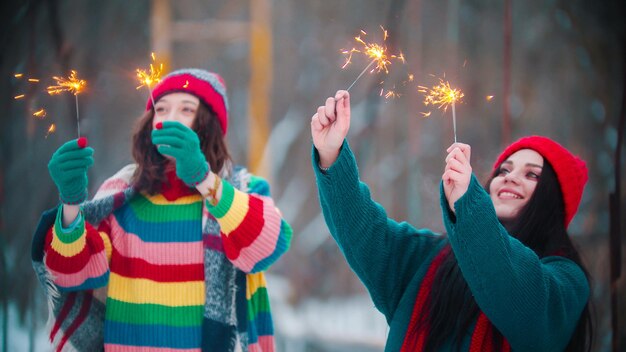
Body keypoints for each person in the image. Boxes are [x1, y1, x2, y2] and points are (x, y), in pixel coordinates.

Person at [31, 68, 293, 352]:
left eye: (186, 109)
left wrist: (204, 179)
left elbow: (270, 246)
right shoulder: (120, 194)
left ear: (208, 124)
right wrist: (71, 203)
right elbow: (70, 275)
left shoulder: (243, 188)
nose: (170, 118)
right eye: (162, 108)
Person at [310, 90, 592, 351]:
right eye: (504, 169)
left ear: (553, 198)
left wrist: (469, 207)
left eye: (532, 175)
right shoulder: (428, 259)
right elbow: (364, 232)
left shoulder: (565, 281)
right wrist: (331, 155)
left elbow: (515, 289)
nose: (510, 176)